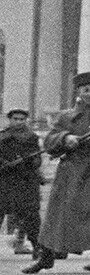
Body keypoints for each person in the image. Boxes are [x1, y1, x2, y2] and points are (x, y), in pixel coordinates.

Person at [24, 71, 90, 274]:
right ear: (78, 91)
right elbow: (49, 142)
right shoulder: (65, 117)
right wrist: (65, 138)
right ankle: (46, 258)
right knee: (57, 215)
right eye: (87, 89)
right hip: (70, 171)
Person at [1, 108, 42, 263]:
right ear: (10, 120)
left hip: (26, 181)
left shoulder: (31, 137)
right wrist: (6, 164)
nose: (19, 122)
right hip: (5, 181)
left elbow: (37, 158)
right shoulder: (2, 136)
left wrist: (30, 161)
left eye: (22, 119)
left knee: (31, 215)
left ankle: (37, 247)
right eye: (16, 119)